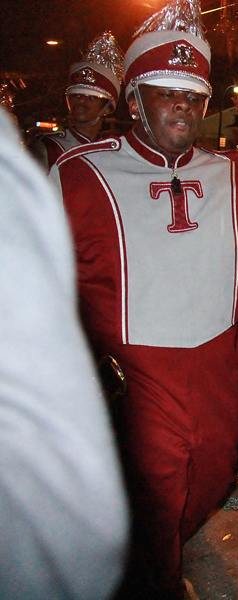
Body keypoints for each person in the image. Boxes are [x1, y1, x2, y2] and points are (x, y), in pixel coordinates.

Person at [50, 1, 238, 596]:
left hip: (214, 362)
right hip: (136, 372)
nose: (184, 105)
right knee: (158, 494)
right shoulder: (81, 174)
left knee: (213, 477)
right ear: (134, 100)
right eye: (167, 92)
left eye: (195, 95)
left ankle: (145, 553)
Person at [1, 107, 128, 600]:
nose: (90, 110)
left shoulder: (112, 154)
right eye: (81, 98)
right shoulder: (43, 153)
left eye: (99, 100)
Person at [31, 32, 123, 172]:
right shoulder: (48, 147)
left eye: (91, 98)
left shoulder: (115, 150)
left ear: (107, 108)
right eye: (76, 96)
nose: (81, 101)